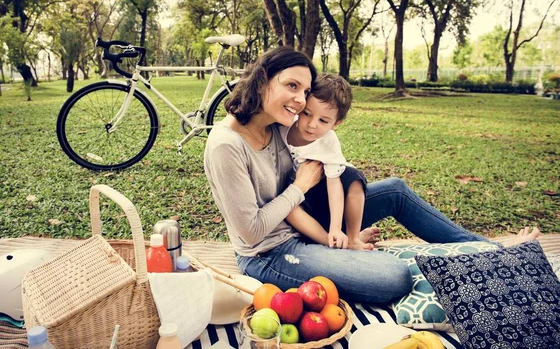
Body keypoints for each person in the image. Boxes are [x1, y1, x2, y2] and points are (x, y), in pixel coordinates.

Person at [203, 46, 540, 304]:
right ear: (263, 79)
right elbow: (248, 234)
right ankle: (345, 248)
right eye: (291, 85)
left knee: (394, 190)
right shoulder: (226, 146)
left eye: (304, 91)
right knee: (394, 277)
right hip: (270, 253)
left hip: (303, 218)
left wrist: (343, 224)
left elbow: (329, 153)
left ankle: (497, 252)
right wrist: (303, 190)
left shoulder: (280, 121)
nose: (299, 100)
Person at [279, 73, 372, 251]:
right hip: (293, 195)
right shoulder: (285, 124)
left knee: (354, 178)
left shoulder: (328, 142)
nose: (312, 124)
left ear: (336, 123)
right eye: (307, 114)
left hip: (317, 197)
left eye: (323, 120)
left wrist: (336, 227)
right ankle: (331, 241)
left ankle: (352, 238)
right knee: (289, 209)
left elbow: (334, 184)